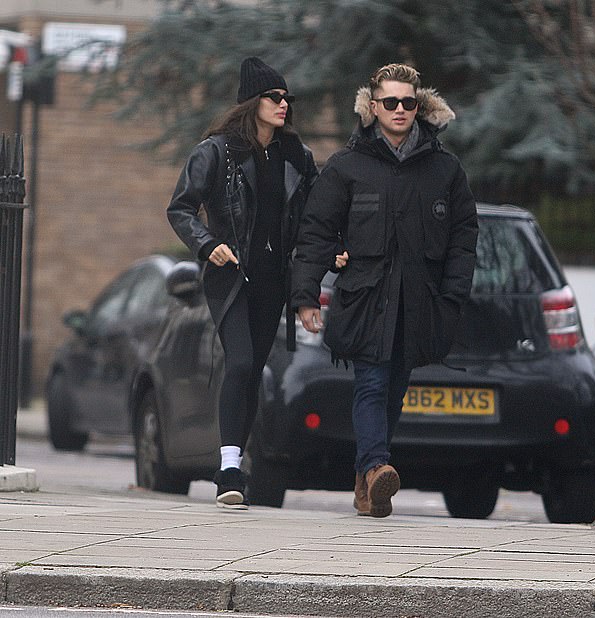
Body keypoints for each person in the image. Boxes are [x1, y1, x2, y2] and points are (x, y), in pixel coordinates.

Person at [291, 63, 479, 518]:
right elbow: (317, 231)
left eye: (408, 102)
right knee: (372, 383)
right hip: (364, 298)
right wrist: (304, 296)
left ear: (420, 107)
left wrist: (452, 298)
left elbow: (464, 235)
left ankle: (365, 481)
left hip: (418, 303)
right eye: (390, 102)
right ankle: (377, 465)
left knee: (394, 388)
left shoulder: (444, 170)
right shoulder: (347, 166)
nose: (399, 110)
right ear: (372, 107)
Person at [167, 57, 321, 510]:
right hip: (230, 275)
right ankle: (229, 468)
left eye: (287, 99)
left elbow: (315, 214)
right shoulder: (217, 152)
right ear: (253, 102)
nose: (283, 105)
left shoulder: (296, 157)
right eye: (275, 97)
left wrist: (330, 248)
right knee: (239, 362)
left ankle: (237, 462)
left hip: (273, 278)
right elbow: (180, 208)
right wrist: (205, 242)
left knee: (253, 370)